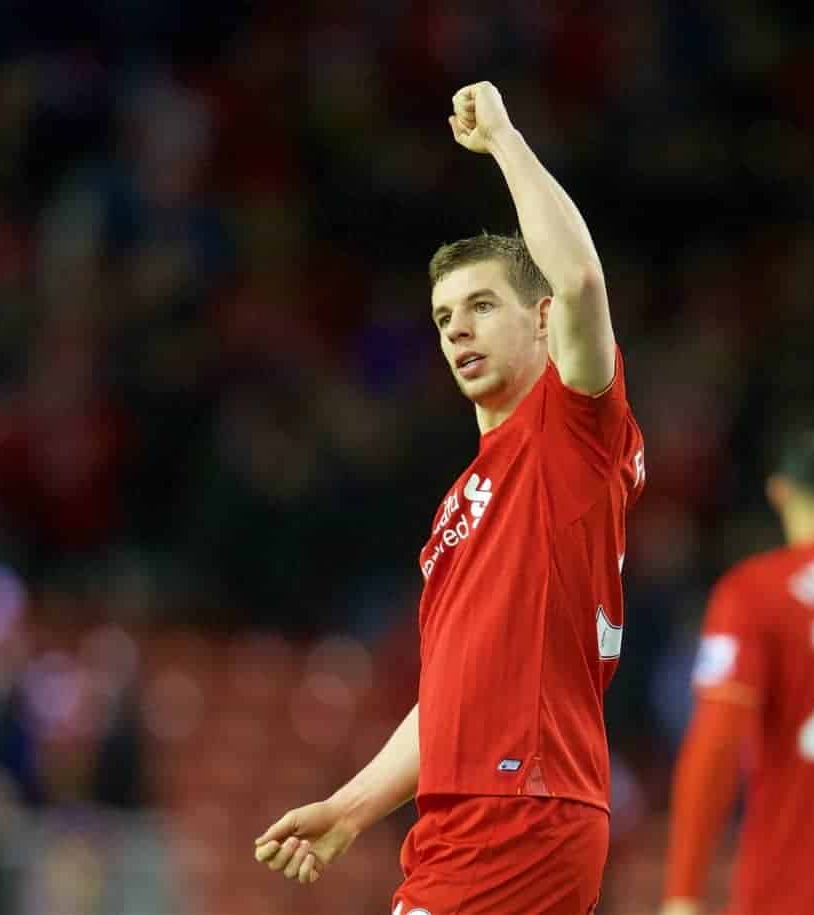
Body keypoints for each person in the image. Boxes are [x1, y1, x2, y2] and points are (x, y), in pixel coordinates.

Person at [253, 81, 646, 914]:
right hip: (466, 814)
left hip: (523, 806)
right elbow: (456, 694)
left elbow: (577, 281)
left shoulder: (568, 434)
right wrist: (352, 809)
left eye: (479, 306)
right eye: (441, 317)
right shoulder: (464, 499)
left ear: (540, 323)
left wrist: (503, 140)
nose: (456, 329)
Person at [660, 422, 814, 915]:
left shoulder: (754, 594)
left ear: (780, 492)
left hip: (793, 889)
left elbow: (716, 742)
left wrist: (683, 892)